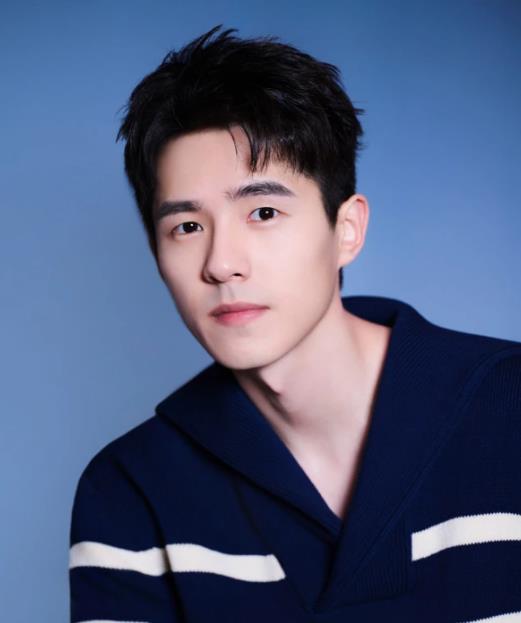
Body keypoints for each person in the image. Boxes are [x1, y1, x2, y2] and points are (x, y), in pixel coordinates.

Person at [68, 24, 521, 622]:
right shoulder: (130, 489)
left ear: (347, 230)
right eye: (187, 227)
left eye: (263, 212)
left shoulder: (507, 408)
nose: (221, 263)